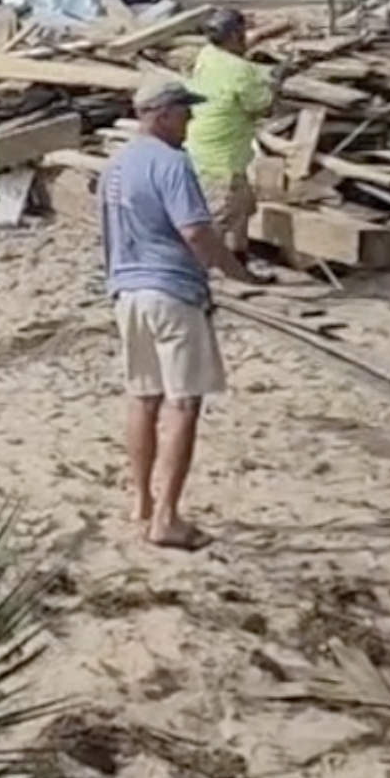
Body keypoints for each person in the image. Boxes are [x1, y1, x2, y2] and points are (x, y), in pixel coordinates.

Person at [103, 78, 260, 551]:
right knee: (185, 403)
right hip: (171, 291)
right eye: (184, 112)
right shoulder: (171, 163)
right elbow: (195, 231)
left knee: (142, 397)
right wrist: (235, 271)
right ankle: (167, 518)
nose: (190, 121)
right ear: (163, 114)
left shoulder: (114, 165)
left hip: (128, 292)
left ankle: (141, 502)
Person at [182, 8, 278, 263]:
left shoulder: (208, 54)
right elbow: (264, 107)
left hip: (202, 148)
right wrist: (277, 82)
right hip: (223, 160)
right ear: (236, 35)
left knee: (242, 207)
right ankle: (192, 268)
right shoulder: (241, 70)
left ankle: (238, 258)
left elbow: (239, 56)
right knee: (221, 217)